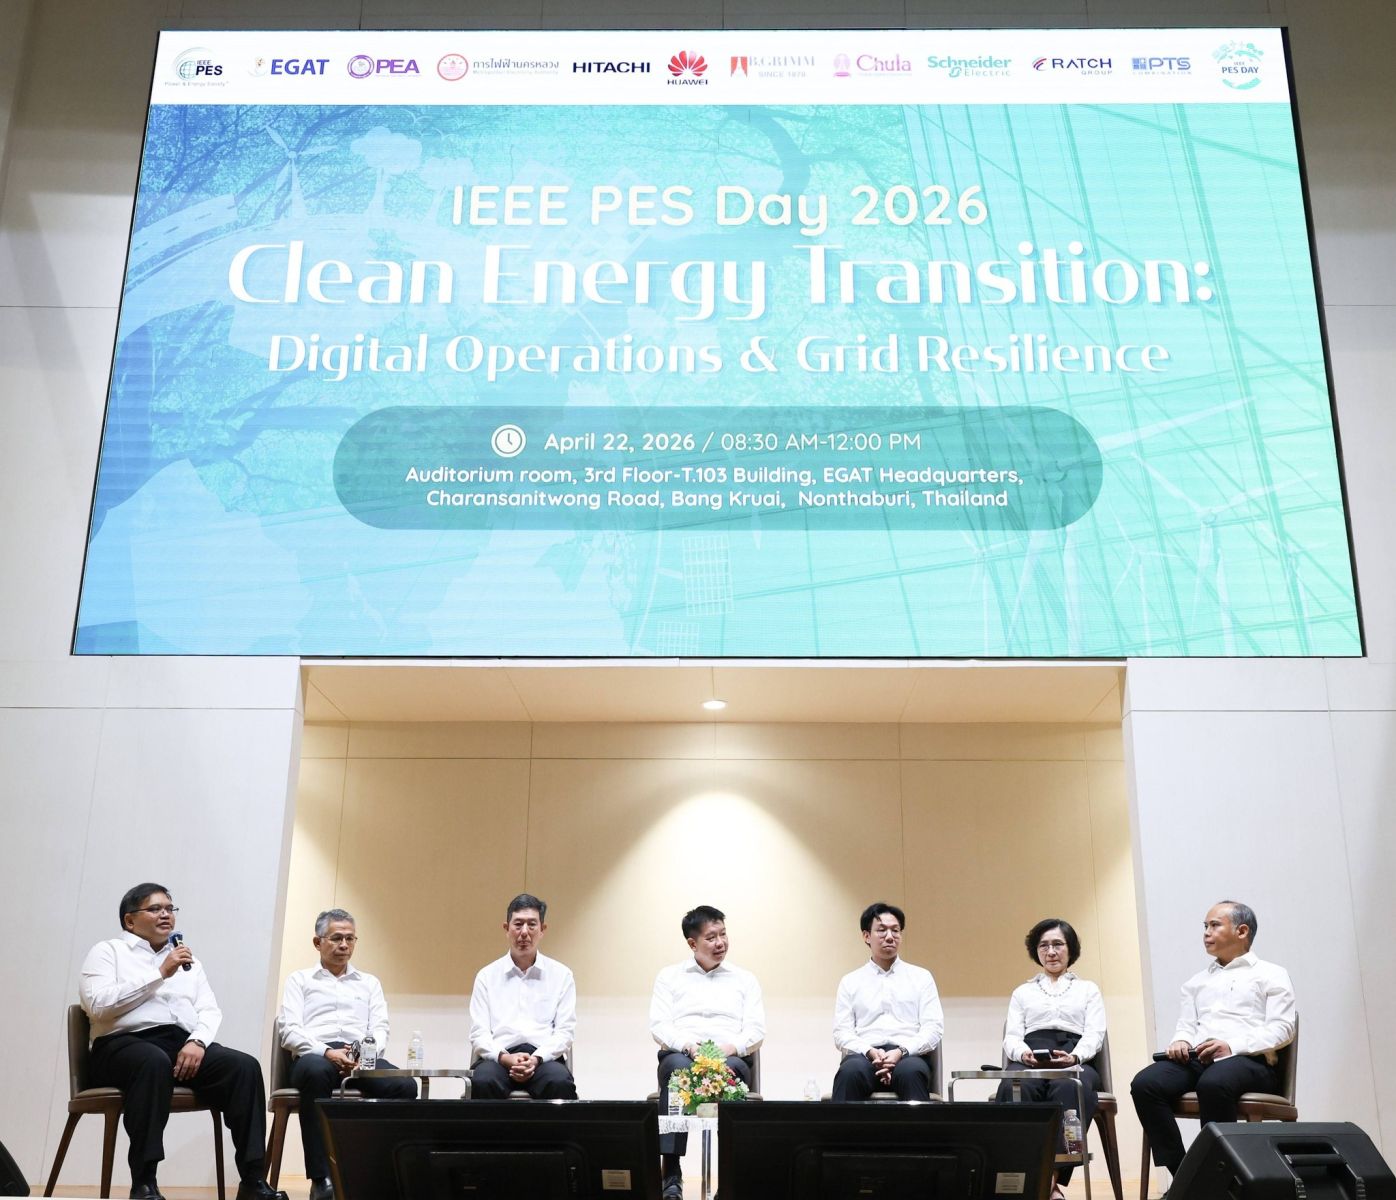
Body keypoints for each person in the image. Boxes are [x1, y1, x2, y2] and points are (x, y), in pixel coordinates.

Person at [78, 883, 288, 1200]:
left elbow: (209, 1009)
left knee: (243, 1067)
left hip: (180, 1044)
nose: (166, 914)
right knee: (152, 1061)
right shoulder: (108, 952)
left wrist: (198, 1042)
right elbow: (98, 1005)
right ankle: (144, 1183)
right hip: (121, 1045)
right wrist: (160, 973)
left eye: (169, 908)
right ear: (129, 920)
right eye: (155, 909)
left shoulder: (189, 961)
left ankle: (253, 1181)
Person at [1131, 901, 1296, 1188]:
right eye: (1205, 926)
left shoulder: (1271, 973)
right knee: (1145, 1084)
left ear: (1242, 931)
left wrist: (1231, 1045)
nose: (1206, 932)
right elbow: (1186, 1025)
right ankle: (1187, 1179)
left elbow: (1283, 1029)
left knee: (1214, 1084)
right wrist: (1181, 1040)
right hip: (1200, 1059)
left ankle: (1222, 1183)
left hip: (1251, 1061)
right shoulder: (1195, 982)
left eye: (1214, 925)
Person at [279, 908, 417, 1200]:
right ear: (318, 942)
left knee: (404, 1085)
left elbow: (380, 1028)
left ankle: (382, 1172)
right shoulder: (300, 980)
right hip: (315, 1055)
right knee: (316, 1073)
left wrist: (362, 1055)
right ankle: (322, 1180)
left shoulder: (369, 983)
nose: (344, 945)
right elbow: (289, 1031)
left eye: (350, 939)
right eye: (336, 938)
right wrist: (328, 1052)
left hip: (361, 1057)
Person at [650, 905, 765, 1200]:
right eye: (711, 937)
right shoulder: (669, 977)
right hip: (683, 1055)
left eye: (723, 935)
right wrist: (689, 1046)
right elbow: (660, 1026)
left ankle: (729, 1178)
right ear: (692, 943)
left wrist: (728, 1049)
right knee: (677, 1072)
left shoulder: (744, 979)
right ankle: (671, 1173)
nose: (720, 943)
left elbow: (755, 1030)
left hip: (729, 1057)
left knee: (733, 1070)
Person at [998, 918, 1106, 1199]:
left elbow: (1095, 1034)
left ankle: (1048, 1181)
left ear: (1071, 949)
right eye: (1044, 946)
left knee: (1070, 1088)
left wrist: (1074, 1056)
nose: (1051, 951)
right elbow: (1012, 1037)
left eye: (1058, 944)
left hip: (1074, 1056)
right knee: (1014, 1086)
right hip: (1031, 1056)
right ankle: (1037, 1181)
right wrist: (1024, 1054)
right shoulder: (1022, 992)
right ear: (1036, 951)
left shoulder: (1088, 989)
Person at [468, 893, 578, 1099]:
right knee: (482, 1081)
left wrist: (536, 1058)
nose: (524, 932)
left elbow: (565, 1033)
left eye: (532, 925)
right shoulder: (486, 976)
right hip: (499, 1058)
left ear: (542, 929)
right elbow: (478, 1034)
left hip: (543, 1058)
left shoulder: (562, 975)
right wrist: (505, 1058)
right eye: (518, 924)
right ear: (506, 928)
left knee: (559, 1082)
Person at [831, 902, 944, 1102]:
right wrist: (870, 1052)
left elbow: (933, 1029)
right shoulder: (850, 981)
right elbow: (841, 1033)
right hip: (864, 1056)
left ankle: (920, 1126)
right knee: (850, 1072)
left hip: (908, 1056)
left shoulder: (921, 977)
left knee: (910, 1072)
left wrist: (901, 1052)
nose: (890, 936)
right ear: (866, 936)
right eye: (882, 930)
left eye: (895, 930)